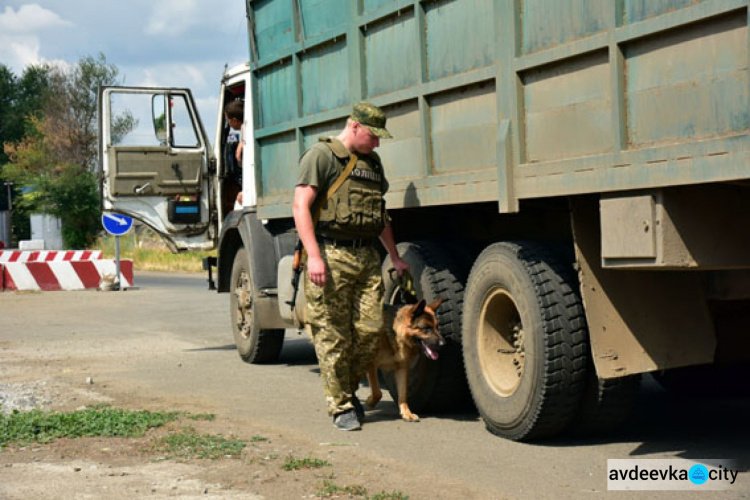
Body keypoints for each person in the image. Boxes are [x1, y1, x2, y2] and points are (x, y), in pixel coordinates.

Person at [293, 102, 410, 431]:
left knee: (371, 333)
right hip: (330, 255)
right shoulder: (321, 156)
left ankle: (344, 388)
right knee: (332, 336)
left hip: (367, 257)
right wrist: (314, 255)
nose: (378, 144)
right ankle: (341, 405)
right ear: (354, 126)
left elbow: (379, 214)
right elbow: (301, 206)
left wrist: (395, 255)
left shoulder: (373, 164)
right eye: (374, 136)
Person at [224, 100, 244, 211]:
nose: (228, 124)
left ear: (235, 121)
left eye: (228, 120)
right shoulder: (246, 130)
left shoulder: (245, 131)